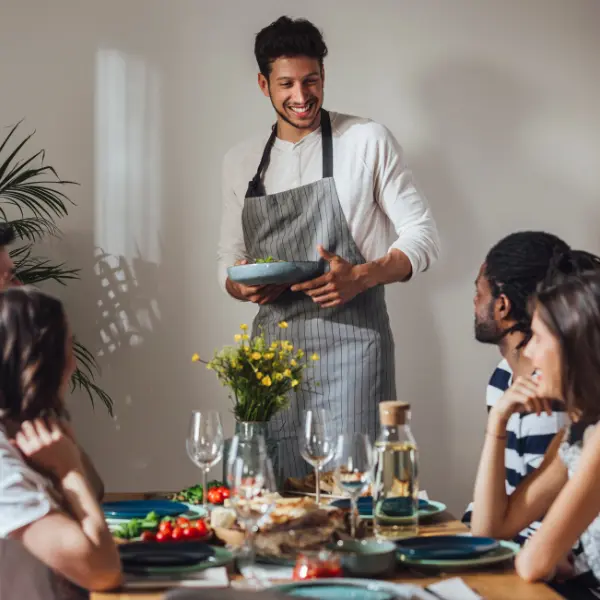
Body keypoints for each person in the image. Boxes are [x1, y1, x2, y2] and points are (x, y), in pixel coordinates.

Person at [217, 16, 440, 478]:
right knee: (273, 490)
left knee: (351, 491)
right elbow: (228, 258)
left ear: (324, 75)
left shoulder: (365, 140)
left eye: (311, 81)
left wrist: (361, 276)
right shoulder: (241, 162)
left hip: (354, 347)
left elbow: (423, 237)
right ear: (264, 84)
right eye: (287, 84)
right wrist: (244, 287)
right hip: (272, 357)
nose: (302, 97)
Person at [463, 232, 600, 543]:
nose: (531, 354)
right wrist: (497, 422)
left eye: (537, 337)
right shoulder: (572, 436)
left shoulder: (556, 406)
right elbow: (491, 527)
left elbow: (542, 542)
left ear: (503, 305)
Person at [0, 287, 122, 599]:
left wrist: (69, 456)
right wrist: (69, 472)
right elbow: (103, 571)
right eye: (68, 347)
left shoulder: (23, 431)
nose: (73, 366)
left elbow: (95, 490)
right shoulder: (3, 469)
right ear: (39, 363)